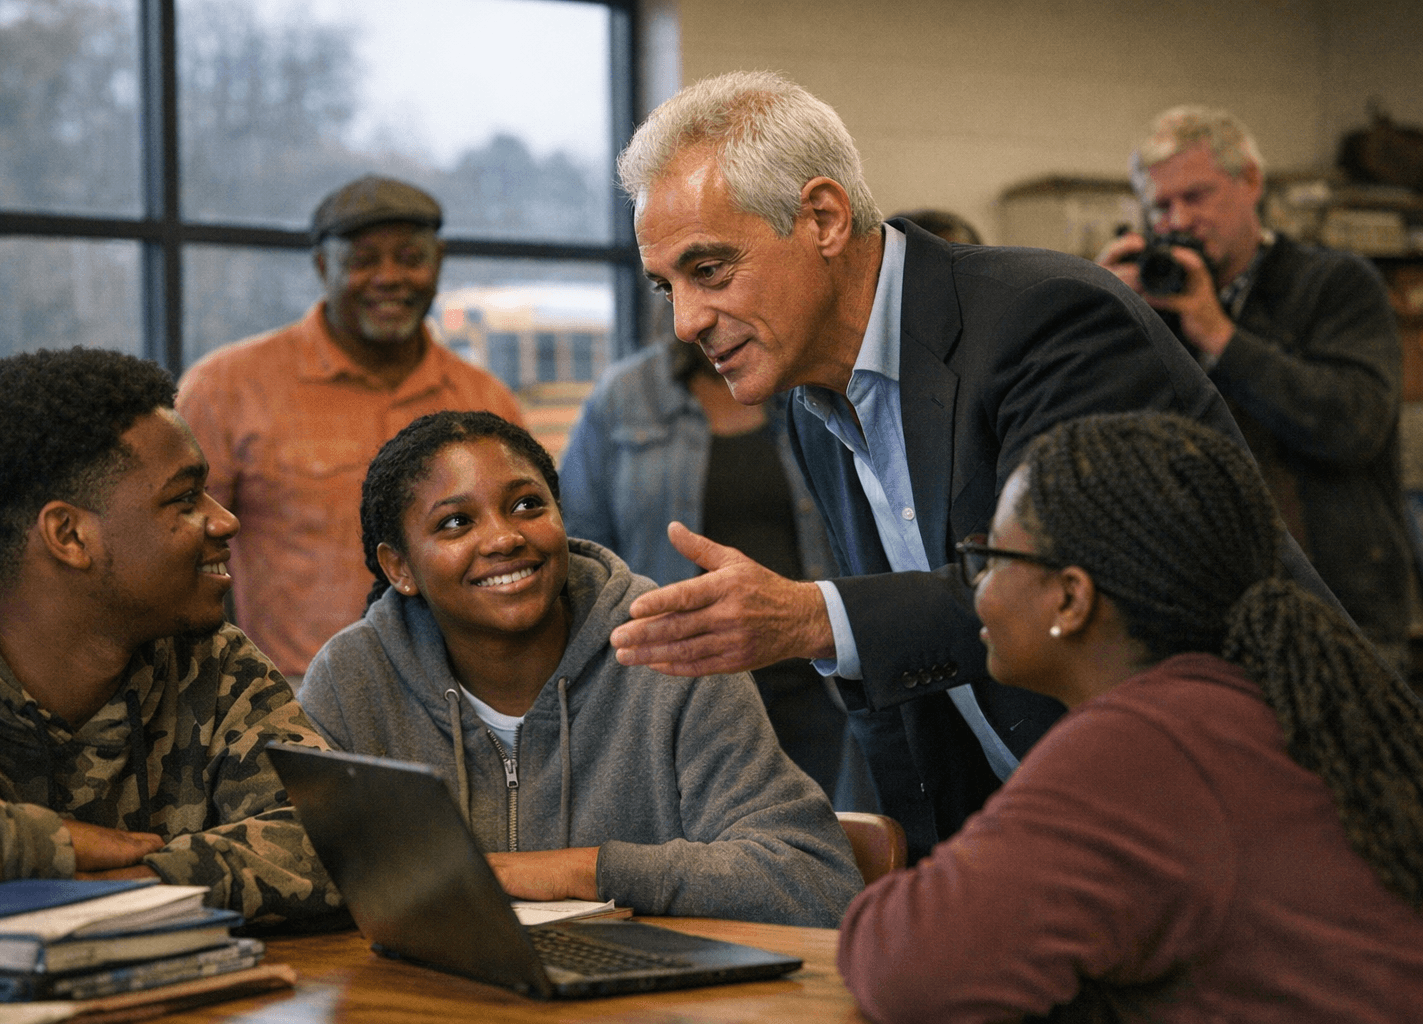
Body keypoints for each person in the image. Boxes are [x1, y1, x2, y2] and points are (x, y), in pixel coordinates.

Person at [609, 70, 1334, 858]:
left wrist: (812, 617)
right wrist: (926, 879)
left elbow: (1074, 592)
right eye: (665, 285)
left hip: (1259, 823)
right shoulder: (809, 405)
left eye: (709, 271)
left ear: (822, 217)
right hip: (1070, 843)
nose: (684, 322)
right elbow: (907, 704)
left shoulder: (1047, 317)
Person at [836, 411, 1423, 1023]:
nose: (977, 587)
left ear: (1070, 597)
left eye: (990, 557)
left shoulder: (1142, 748)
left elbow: (910, 968)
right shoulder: (1271, 702)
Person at [297, 411, 861, 927]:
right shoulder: (352, 680)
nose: (503, 537)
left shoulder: (672, 649)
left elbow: (813, 880)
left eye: (526, 505)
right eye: (455, 523)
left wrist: (581, 871)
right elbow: (300, 878)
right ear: (399, 566)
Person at [0, 348, 340, 925]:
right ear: (69, 535)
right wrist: (46, 846)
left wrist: (142, 883)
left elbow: (337, 840)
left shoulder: (214, 661)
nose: (227, 520)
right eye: (183, 498)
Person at [1098, 106, 1410, 672]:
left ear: (1251, 183)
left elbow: (1355, 425)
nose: (1178, 221)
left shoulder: (1335, 285)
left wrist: (1218, 335)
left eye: (1197, 196)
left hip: (1339, 608)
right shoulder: (1151, 306)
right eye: (1161, 207)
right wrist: (1106, 317)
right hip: (1209, 611)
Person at [177, 175, 523, 684]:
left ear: (438, 262)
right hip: (283, 699)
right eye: (363, 261)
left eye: (410, 258)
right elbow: (182, 556)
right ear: (322, 266)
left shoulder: (485, 401)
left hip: (454, 698)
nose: (389, 278)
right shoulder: (225, 388)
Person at [557, 338, 854, 797]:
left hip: (810, 686)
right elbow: (580, 550)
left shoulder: (803, 384)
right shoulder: (625, 395)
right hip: (676, 694)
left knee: (810, 844)